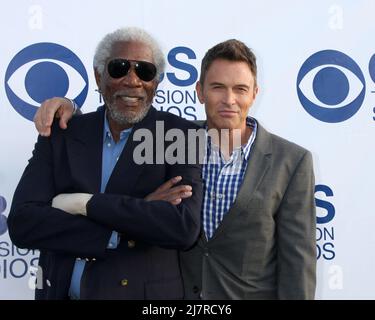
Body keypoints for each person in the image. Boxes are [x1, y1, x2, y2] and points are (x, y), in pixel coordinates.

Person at [32, 39, 317, 299]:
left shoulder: (291, 161)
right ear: (200, 91)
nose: (229, 100)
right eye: (218, 87)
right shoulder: (169, 139)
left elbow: (296, 262)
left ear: (254, 93)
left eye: (240, 89)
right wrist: (67, 108)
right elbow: (111, 135)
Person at [7, 27, 203, 300]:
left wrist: (84, 204)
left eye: (144, 71)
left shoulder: (179, 136)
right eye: (119, 67)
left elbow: (182, 228)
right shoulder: (63, 133)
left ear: (155, 83)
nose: (132, 80)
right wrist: (134, 217)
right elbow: (23, 223)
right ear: (99, 76)